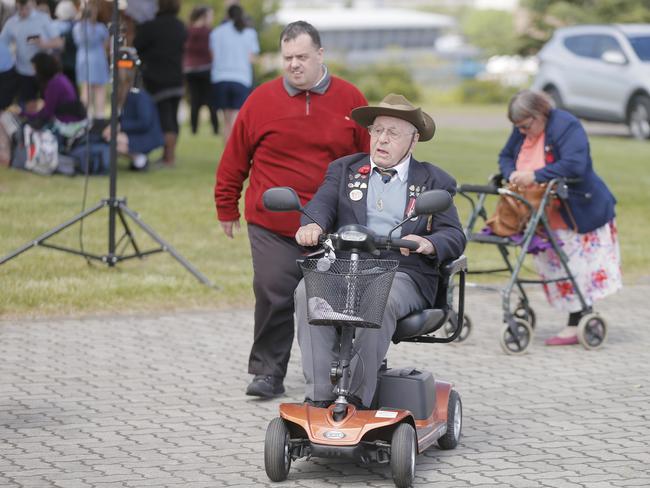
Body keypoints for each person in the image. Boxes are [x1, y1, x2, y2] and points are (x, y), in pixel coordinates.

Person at [214, 21, 370, 399]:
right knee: (273, 292)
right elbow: (235, 155)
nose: (294, 65)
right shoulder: (261, 100)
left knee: (332, 297)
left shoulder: (351, 99)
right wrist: (226, 205)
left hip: (331, 223)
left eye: (302, 56)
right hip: (273, 219)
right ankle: (268, 371)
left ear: (320, 54)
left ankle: (337, 370)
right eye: (287, 58)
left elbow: (368, 160)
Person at [294, 93, 466, 408]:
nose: (382, 140)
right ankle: (318, 398)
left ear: (413, 141)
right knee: (308, 291)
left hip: (403, 273)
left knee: (380, 296)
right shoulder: (344, 170)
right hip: (346, 267)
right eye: (377, 131)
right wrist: (313, 226)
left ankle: (357, 400)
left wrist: (428, 243)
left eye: (393, 133)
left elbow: (454, 235)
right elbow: (320, 204)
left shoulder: (434, 180)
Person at [498, 89, 622, 346]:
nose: (521, 131)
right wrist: (511, 173)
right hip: (543, 210)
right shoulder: (524, 127)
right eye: (517, 127)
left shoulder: (566, 125)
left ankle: (578, 322)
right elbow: (506, 156)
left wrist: (535, 175)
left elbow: (576, 164)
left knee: (577, 267)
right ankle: (579, 317)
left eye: (524, 125)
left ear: (538, 114)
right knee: (558, 265)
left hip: (578, 209)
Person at [133, 0, 186, 168]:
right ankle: (169, 155)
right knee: (172, 117)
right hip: (177, 76)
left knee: (165, 119)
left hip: (158, 78)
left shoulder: (151, 26)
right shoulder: (180, 26)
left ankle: (168, 158)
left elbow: (137, 46)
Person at [0, 0, 63, 113]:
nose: (24, 12)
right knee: (28, 106)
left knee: (50, 104)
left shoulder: (43, 19)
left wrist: (45, 44)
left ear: (32, 4)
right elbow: (3, 43)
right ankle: (31, 127)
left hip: (44, 71)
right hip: (23, 72)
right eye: (20, 9)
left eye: (27, 8)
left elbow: (59, 42)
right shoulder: (11, 22)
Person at [102, 58, 164, 171]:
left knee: (114, 140)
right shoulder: (123, 97)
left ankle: (139, 159)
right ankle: (137, 160)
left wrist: (120, 127)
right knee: (109, 137)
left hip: (147, 136)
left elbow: (144, 123)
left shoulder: (139, 97)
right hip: (136, 133)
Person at [209, 4, 259, 141]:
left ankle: (228, 154)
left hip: (220, 78)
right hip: (241, 78)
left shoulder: (216, 32)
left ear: (227, 15)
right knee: (236, 120)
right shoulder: (249, 33)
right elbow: (252, 58)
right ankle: (235, 155)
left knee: (226, 122)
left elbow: (213, 57)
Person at [21, 51, 85, 127]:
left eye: (35, 69)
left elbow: (47, 113)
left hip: (67, 123)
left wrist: (23, 114)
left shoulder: (54, 84)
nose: (34, 73)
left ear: (42, 69)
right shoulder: (60, 78)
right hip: (74, 118)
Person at [184, 5, 218, 135]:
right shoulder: (208, 32)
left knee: (194, 100)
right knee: (210, 100)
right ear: (204, 16)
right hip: (206, 68)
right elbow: (212, 51)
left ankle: (194, 129)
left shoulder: (188, 31)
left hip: (189, 69)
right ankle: (215, 128)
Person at [73, 0, 110, 118]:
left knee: (86, 88)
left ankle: (85, 116)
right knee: (99, 88)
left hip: (83, 58)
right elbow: (107, 44)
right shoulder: (100, 27)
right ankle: (99, 116)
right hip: (98, 58)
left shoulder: (77, 27)